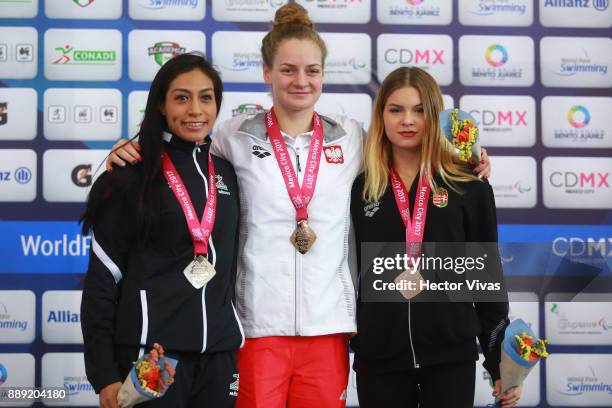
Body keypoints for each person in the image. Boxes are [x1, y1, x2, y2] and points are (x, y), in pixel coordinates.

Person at [105, 5, 492, 408]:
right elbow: (181, 159)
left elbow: (411, 157)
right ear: (267, 72)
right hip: (256, 328)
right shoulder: (232, 137)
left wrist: (470, 155)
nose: (300, 81)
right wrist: (134, 149)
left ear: (324, 74)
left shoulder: (352, 139)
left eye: (312, 71)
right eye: (288, 70)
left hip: (328, 330)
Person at [349, 66, 521, 408]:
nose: (407, 120)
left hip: (450, 354)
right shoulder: (360, 186)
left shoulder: (468, 186)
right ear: (381, 115)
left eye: (419, 110)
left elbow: (487, 280)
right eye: (395, 109)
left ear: (435, 115)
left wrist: (499, 362)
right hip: (379, 355)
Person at [80, 53, 244, 408]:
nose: (195, 110)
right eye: (181, 97)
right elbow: (102, 279)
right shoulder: (130, 174)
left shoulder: (228, 173)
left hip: (219, 354)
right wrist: (105, 374)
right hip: (153, 355)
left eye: (206, 97)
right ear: (160, 105)